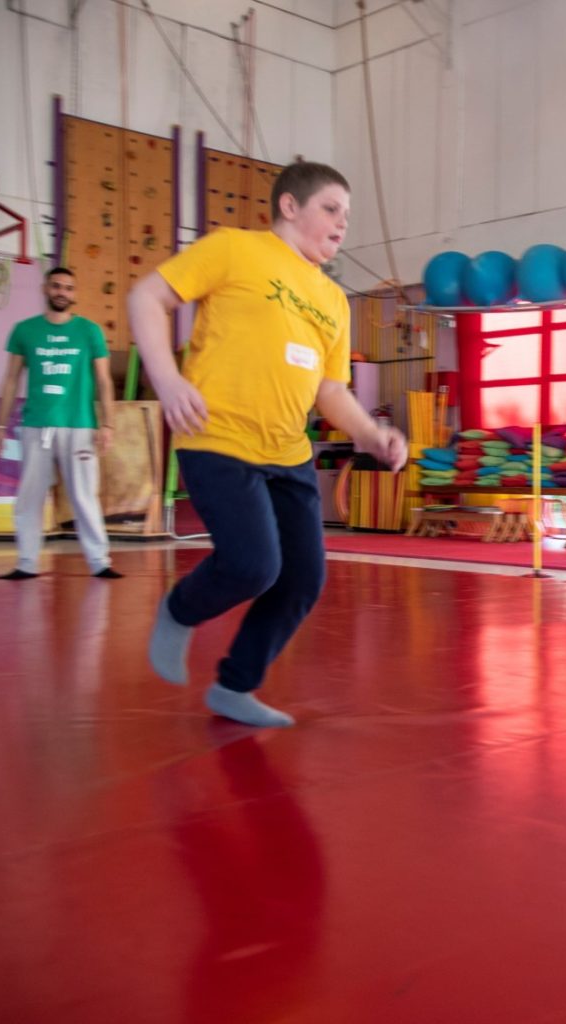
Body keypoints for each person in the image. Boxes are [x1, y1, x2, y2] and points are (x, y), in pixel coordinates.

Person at [127, 161, 406, 729]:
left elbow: (331, 390)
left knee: (302, 579)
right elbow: (146, 297)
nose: (342, 223)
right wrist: (168, 380)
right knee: (253, 566)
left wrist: (369, 433)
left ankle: (235, 686)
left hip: (288, 453)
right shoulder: (234, 249)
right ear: (289, 206)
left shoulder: (333, 300)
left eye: (347, 215)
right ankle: (180, 610)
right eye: (331, 209)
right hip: (219, 438)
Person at [0, 267, 121, 580]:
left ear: (74, 294)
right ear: (45, 289)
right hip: (37, 424)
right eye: (56, 286)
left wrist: (108, 425)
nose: (62, 292)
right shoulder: (24, 330)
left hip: (80, 425)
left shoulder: (90, 331)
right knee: (30, 496)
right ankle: (26, 563)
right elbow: (10, 380)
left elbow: (104, 381)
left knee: (84, 496)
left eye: (68, 287)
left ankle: (99, 562)